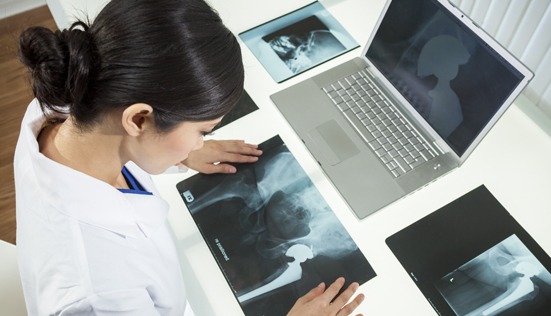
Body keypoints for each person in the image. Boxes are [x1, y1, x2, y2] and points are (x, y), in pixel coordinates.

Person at [14, 0, 365, 315]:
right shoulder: (100, 294)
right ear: (139, 119)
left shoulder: (65, 106)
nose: (201, 144)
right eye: (203, 131)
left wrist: (178, 151)